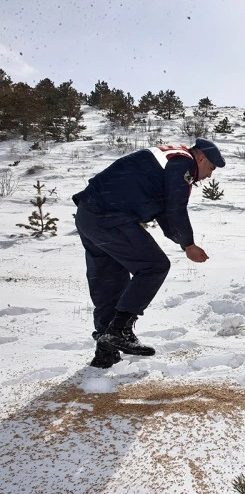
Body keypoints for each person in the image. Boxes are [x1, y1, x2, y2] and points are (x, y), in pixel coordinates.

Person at [72, 139, 225, 368]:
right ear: (201, 157)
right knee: (154, 266)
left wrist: (183, 244)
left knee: (109, 282)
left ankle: (105, 351)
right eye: (211, 168)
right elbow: (175, 208)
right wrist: (189, 245)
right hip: (110, 218)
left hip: (88, 216)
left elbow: (164, 212)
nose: (209, 176)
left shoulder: (170, 156)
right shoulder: (183, 163)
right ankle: (119, 330)